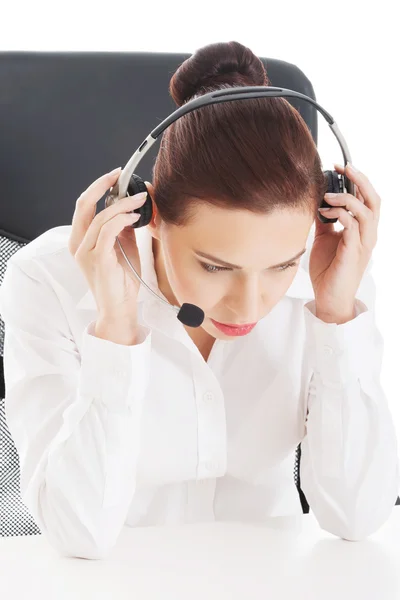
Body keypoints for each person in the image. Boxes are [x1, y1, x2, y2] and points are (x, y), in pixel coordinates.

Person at [0, 41, 398, 560]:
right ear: (151, 215)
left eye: (280, 266)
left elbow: (358, 515)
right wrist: (117, 328)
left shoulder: (327, 277)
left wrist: (337, 317)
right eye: (215, 266)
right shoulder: (47, 281)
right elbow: (79, 533)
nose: (250, 306)